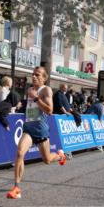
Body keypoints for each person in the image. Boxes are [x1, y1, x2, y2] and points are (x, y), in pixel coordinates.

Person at [6, 66, 67, 200]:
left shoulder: (46, 90)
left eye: (38, 75)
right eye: (33, 74)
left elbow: (50, 110)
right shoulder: (29, 90)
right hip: (28, 129)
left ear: (44, 78)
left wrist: (35, 99)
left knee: (47, 160)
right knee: (20, 152)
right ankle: (16, 188)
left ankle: (60, 156)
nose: (34, 77)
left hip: (41, 131)